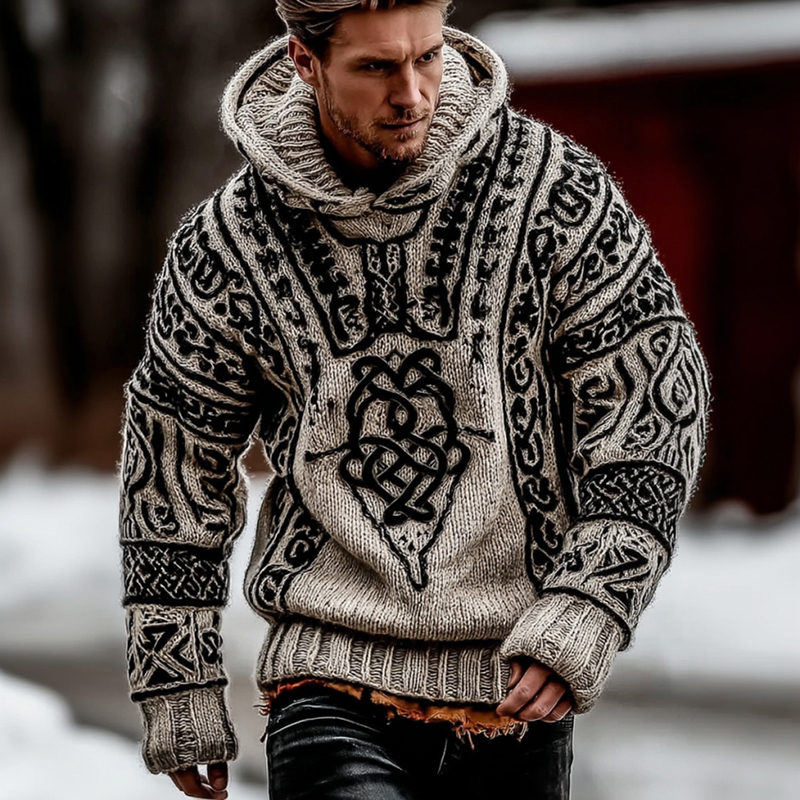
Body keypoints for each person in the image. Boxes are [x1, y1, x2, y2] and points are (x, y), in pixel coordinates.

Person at [119, 1, 710, 797]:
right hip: (325, 674)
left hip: (514, 688)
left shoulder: (555, 191)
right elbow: (174, 459)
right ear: (304, 61)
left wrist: (594, 600)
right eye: (375, 67)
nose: (412, 93)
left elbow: (653, 397)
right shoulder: (225, 246)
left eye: (427, 56)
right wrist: (175, 678)